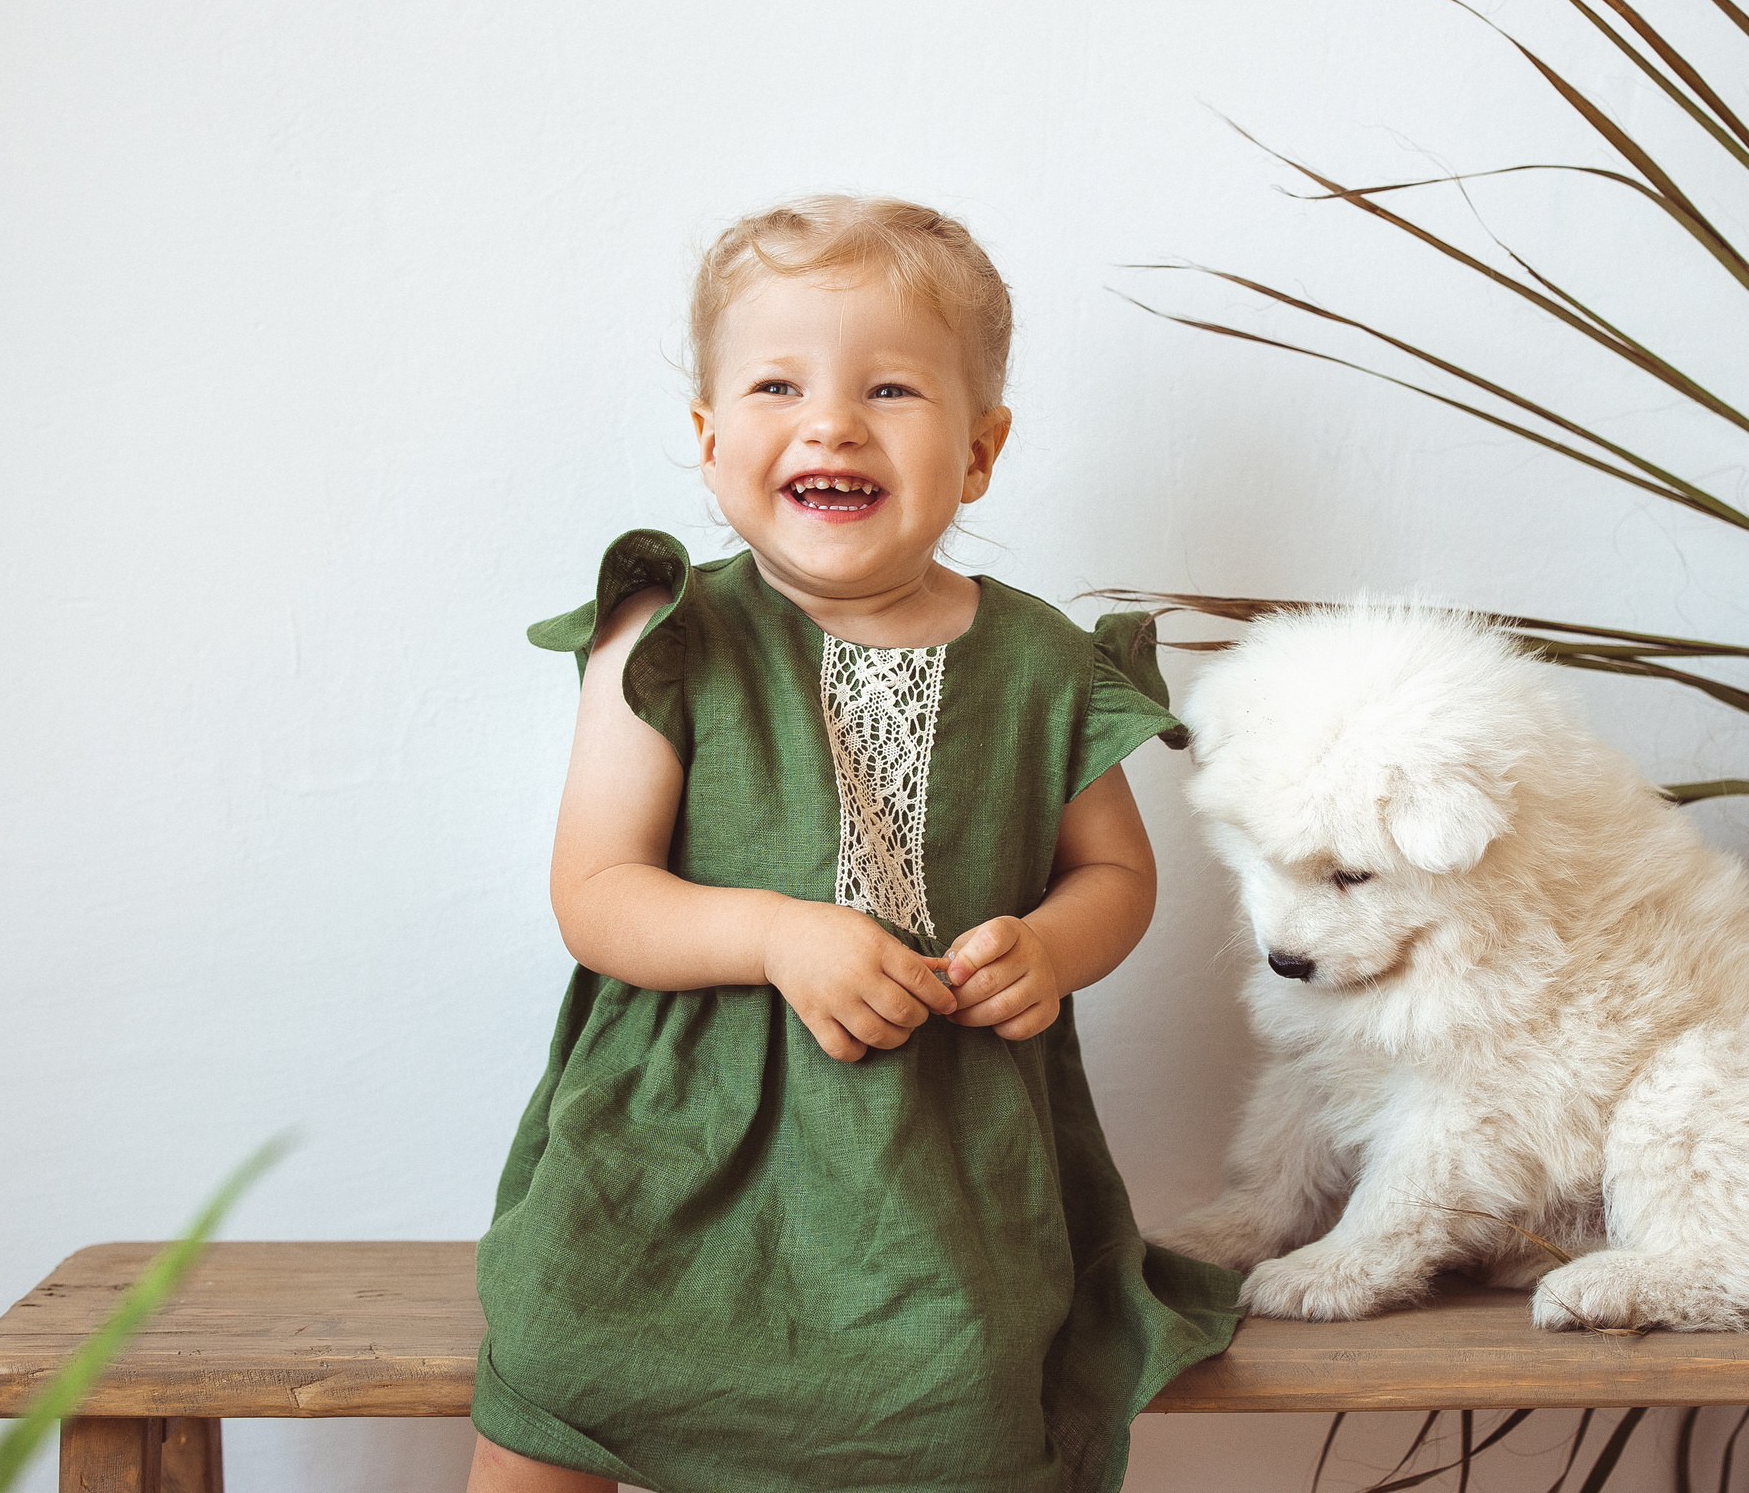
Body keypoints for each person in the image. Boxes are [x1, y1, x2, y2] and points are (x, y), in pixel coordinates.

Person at [467, 195, 1242, 1493]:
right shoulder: (668, 638)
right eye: (777, 385)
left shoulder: (1040, 663)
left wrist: (1051, 945)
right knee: (559, 1366)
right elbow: (597, 896)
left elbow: (1116, 875)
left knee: (955, 1392)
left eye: (889, 388)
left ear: (980, 451)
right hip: (677, 1144)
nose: (830, 421)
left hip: (935, 1165)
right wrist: (775, 933)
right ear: (712, 444)